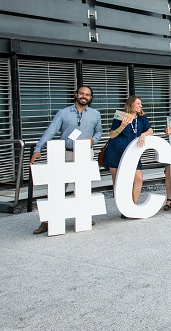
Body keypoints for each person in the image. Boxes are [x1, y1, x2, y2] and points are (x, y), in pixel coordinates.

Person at [30, 86, 102, 235]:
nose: (84, 96)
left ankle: (83, 217)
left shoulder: (95, 114)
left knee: (83, 187)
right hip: (66, 155)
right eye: (82, 93)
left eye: (87, 95)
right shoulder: (63, 113)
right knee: (58, 188)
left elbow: (99, 131)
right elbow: (50, 131)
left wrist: (93, 140)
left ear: (90, 98)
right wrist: (38, 149)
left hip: (85, 154)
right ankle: (47, 222)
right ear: (76, 95)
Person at [103, 96, 153, 216]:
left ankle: (133, 206)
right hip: (116, 152)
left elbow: (150, 131)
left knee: (138, 178)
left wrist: (143, 135)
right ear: (131, 105)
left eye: (141, 104)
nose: (141, 106)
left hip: (133, 152)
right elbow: (112, 135)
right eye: (138, 104)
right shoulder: (120, 116)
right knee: (119, 181)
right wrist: (122, 126)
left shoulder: (142, 118)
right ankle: (123, 209)